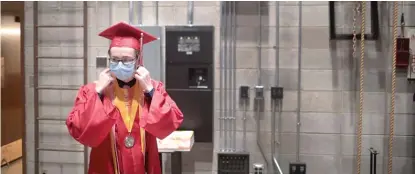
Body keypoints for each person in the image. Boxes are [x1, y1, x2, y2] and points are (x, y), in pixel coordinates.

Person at [66, 22, 184, 174]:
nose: (120, 64)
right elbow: (78, 129)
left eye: (127, 60)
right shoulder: (92, 90)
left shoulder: (151, 88)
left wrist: (150, 91)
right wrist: (98, 92)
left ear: (138, 60)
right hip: (106, 166)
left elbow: (172, 121)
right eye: (114, 59)